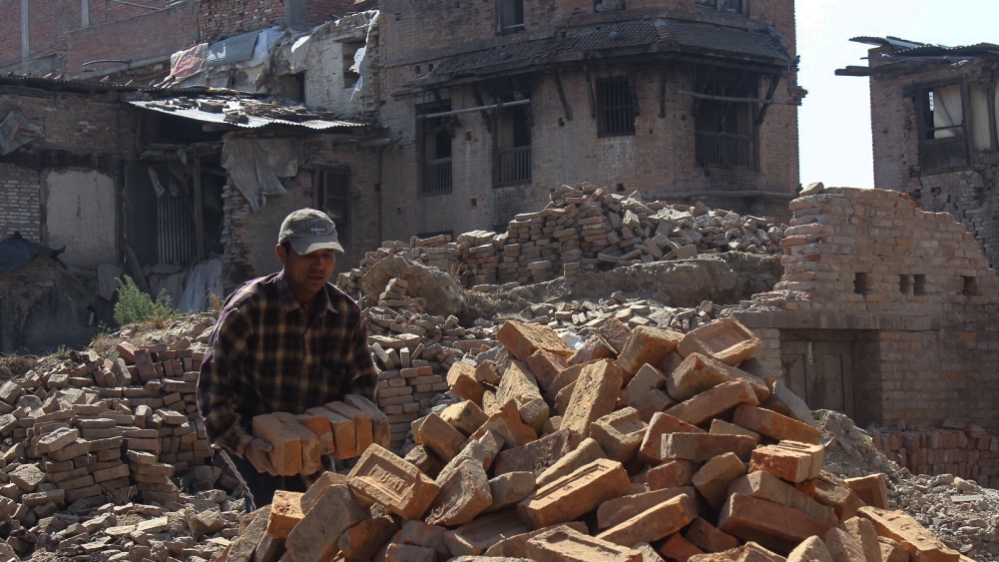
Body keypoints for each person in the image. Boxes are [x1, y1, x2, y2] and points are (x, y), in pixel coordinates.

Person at [197, 208, 377, 509]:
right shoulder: (249, 309)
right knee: (272, 513)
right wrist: (246, 444)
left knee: (318, 511)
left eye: (327, 255)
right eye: (309, 256)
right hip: (253, 435)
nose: (319, 266)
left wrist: (349, 436)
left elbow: (362, 388)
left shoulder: (345, 314)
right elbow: (212, 390)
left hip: (313, 441)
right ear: (283, 254)